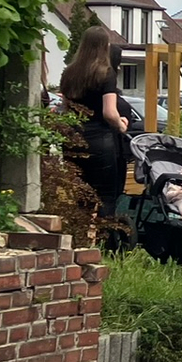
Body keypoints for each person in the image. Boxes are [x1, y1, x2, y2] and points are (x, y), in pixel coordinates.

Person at [58, 25, 130, 244]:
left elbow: (65, 107)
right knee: (106, 195)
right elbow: (109, 112)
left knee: (81, 193)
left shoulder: (69, 72)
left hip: (72, 138)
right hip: (99, 140)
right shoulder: (105, 73)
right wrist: (121, 125)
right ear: (104, 46)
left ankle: (78, 241)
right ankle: (104, 244)